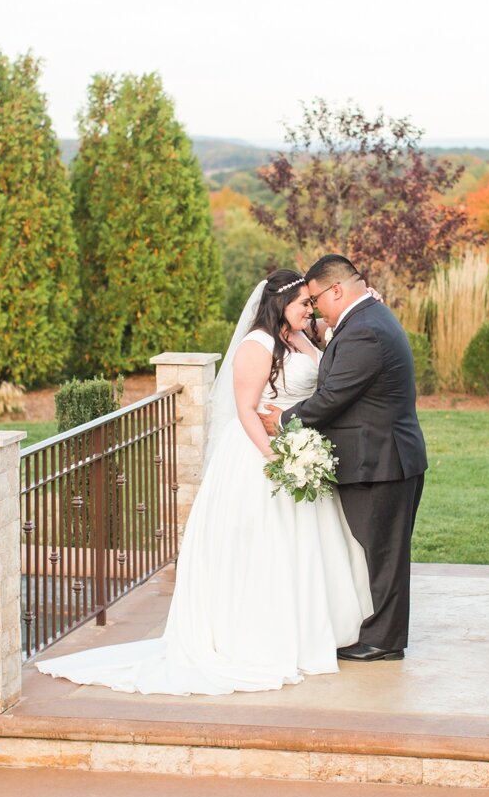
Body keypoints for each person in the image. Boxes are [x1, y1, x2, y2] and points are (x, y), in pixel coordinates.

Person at [35, 269, 372, 695]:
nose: (310, 309)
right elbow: (246, 409)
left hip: (295, 442)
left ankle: (312, 631)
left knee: (304, 545)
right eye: (304, 303)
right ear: (280, 304)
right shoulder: (258, 344)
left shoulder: (301, 339)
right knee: (264, 546)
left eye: (311, 303)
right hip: (259, 456)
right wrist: (276, 460)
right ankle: (261, 636)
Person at [262, 254, 428, 662]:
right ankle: (381, 633)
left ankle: (384, 642)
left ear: (337, 290)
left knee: (385, 554)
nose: (315, 310)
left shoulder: (365, 331)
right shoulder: (365, 317)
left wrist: (284, 419)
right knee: (380, 552)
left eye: (317, 299)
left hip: (381, 462)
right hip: (382, 458)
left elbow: (334, 396)